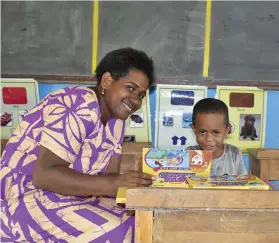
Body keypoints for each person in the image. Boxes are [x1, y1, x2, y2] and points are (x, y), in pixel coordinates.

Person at [0, 47, 156, 243]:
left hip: (71, 196)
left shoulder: (117, 120)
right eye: (131, 88)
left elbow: (108, 178)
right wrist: (116, 183)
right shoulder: (78, 102)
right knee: (112, 232)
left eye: (141, 95)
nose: (135, 100)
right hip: (23, 196)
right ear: (107, 81)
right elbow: (44, 175)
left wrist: (134, 187)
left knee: (140, 221)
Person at [187, 98, 247, 176]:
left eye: (216, 132)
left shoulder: (234, 154)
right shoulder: (189, 154)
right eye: (202, 132)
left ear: (227, 130)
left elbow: (244, 182)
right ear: (194, 130)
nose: (209, 139)